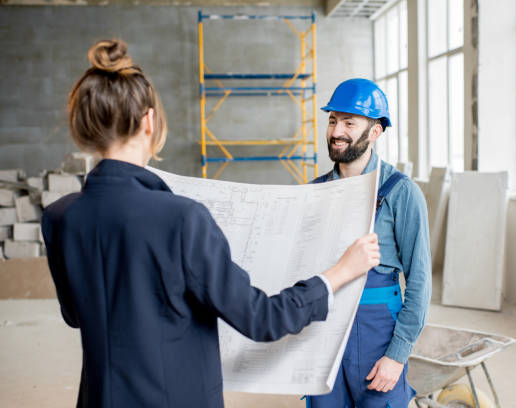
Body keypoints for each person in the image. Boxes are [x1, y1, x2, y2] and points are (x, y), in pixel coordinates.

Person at [42, 40, 380, 408]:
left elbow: (75, 315)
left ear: (84, 127)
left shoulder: (60, 217)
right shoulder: (182, 218)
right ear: (148, 121)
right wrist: (339, 274)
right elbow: (260, 318)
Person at [306, 78, 432, 408]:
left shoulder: (401, 192)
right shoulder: (314, 192)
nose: (336, 131)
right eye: (333, 120)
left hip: (378, 331)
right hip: (326, 329)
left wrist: (397, 356)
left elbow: (419, 282)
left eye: (349, 122)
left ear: (374, 132)